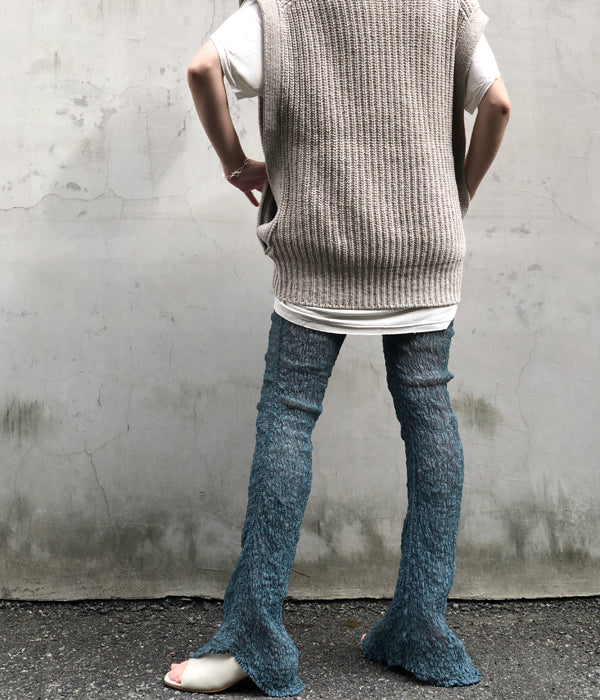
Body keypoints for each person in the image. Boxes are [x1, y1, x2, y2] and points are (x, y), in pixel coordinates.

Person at [164, 0, 511, 695]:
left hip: (318, 246)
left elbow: (203, 69)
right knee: (430, 417)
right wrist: (457, 194)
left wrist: (236, 164)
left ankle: (254, 638)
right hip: (424, 250)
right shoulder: (445, 6)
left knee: (288, 418)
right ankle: (421, 627)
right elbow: (498, 105)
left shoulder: (284, 7)